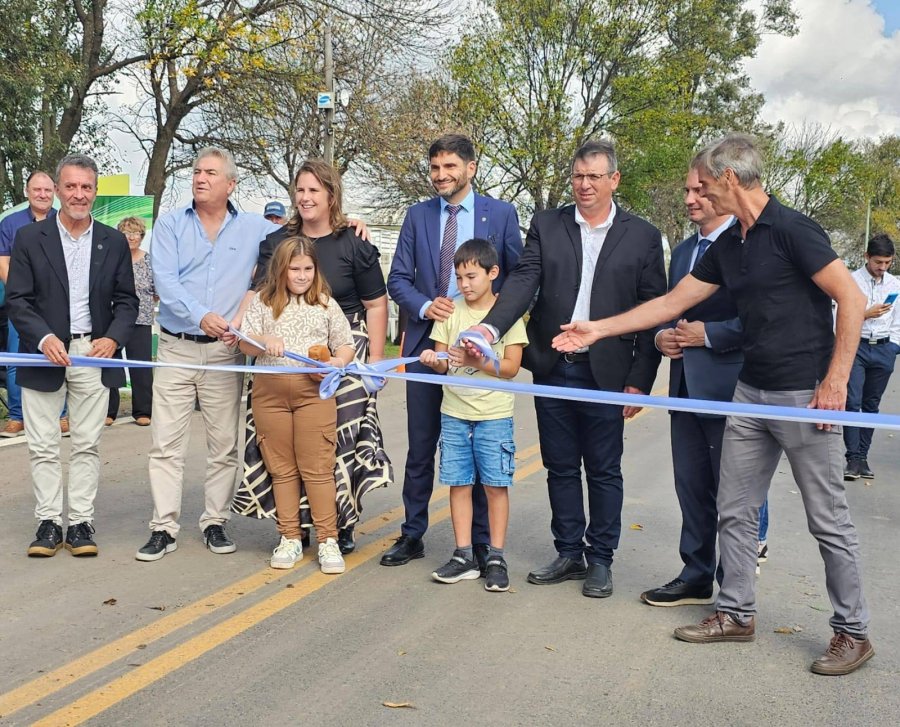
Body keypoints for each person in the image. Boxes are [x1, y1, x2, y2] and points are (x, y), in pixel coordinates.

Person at [552, 133, 873, 676]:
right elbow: (674, 302)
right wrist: (597, 329)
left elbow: (852, 297)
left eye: (701, 183)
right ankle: (735, 612)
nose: (693, 192)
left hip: (805, 396)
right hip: (750, 392)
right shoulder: (732, 244)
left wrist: (836, 381)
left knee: (828, 519)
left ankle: (852, 632)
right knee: (735, 511)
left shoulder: (794, 230)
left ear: (729, 179)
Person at [466, 139, 666, 599]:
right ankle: (569, 551)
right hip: (555, 364)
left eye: (595, 176)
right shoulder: (547, 225)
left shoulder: (641, 236)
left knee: (602, 468)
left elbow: (653, 308)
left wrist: (639, 379)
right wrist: (488, 329)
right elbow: (523, 283)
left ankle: (601, 560)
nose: (585, 185)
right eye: (578, 176)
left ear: (614, 180)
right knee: (559, 465)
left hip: (609, 372)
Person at [384, 133, 523, 568]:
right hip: (429, 342)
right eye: (434, 168)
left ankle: (481, 543)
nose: (441, 176)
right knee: (422, 444)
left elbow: (519, 280)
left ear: (471, 168)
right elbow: (398, 279)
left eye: (449, 167)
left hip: (483, 346)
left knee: (479, 442)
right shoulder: (417, 216)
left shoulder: (500, 214)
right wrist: (426, 306)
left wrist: (492, 330)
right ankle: (412, 534)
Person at [136, 147, 278, 562]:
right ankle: (163, 526)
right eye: (197, 171)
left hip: (224, 354)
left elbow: (304, 233)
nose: (200, 178)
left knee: (223, 444)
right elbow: (165, 281)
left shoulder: (254, 228)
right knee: (165, 444)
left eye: (211, 173)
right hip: (177, 347)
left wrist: (354, 222)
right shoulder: (169, 225)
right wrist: (203, 317)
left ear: (231, 184)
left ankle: (215, 521)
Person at [246, 159, 391, 554]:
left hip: (343, 351)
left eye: (314, 190)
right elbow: (256, 295)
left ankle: (339, 525)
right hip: (284, 355)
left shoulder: (353, 242)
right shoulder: (278, 242)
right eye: (301, 190)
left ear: (331, 195)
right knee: (289, 449)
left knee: (336, 445)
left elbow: (376, 305)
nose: (306, 198)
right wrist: (244, 331)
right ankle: (295, 529)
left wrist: (373, 362)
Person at [6, 154, 138, 556]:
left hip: (93, 352)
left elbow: (127, 302)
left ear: (95, 192)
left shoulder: (113, 241)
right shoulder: (30, 238)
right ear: (58, 191)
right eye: (71, 187)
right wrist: (44, 338)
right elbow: (18, 300)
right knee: (43, 443)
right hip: (45, 351)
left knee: (86, 443)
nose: (79, 194)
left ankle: (80, 522)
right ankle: (48, 523)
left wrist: (112, 340)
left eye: (86, 187)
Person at [640, 168, 742, 607]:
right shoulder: (682, 252)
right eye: (685, 189)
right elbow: (669, 310)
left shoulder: (746, 245)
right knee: (691, 486)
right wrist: (662, 336)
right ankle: (696, 574)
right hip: (683, 388)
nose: (689, 198)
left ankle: (736, 590)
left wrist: (711, 335)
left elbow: (764, 319)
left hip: (731, 389)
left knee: (734, 494)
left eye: (698, 190)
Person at [239, 236, 355, 573]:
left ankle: (328, 540)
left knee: (317, 467)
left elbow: (345, 344)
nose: (302, 276)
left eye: (307, 269)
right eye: (295, 269)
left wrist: (337, 360)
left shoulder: (325, 303)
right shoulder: (262, 302)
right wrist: (263, 341)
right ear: (281, 270)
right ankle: (289, 536)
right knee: (281, 468)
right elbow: (245, 345)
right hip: (269, 394)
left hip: (313, 395)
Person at [419, 239, 528, 592]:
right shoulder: (451, 311)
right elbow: (439, 362)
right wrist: (432, 360)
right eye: (460, 277)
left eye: (472, 276)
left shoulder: (507, 314)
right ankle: (463, 554)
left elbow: (511, 367)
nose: (465, 284)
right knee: (458, 483)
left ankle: (495, 556)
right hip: (454, 413)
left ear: (492, 273)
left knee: (496, 486)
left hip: (494, 415)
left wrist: (476, 361)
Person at [0, 170, 70, 438]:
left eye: (47, 190)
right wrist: (22, 293)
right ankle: (17, 416)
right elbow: (2, 261)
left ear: (54, 192)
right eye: (36, 190)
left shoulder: (64, 221)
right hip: (22, 307)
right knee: (18, 360)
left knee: (59, 358)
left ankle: (62, 416)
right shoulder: (10, 224)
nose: (42, 195)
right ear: (27, 192)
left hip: (56, 307)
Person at [842, 233, 900, 481]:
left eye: (887, 262)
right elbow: (839, 320)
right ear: (867, 257)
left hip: (884, 349)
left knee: (871, 405)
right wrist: (865, 314)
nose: (882, 268)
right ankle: (852, 458)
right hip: (857, 346)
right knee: (852, 402)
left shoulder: (894, 284)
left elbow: (897, 319)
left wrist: (893, 347)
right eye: (878, 262)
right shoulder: (850, 281)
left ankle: (863, 457)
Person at [107, 217, 155, 427]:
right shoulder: (111, 259)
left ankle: (143, 411)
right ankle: (109, 411)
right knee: (110, 366)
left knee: (141, 368)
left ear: (142, 236)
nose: (132, 237)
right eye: (127, 233)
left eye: (136, 233)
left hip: (141, 320)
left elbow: (156, 292)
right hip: (114, 320)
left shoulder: (150, 260)